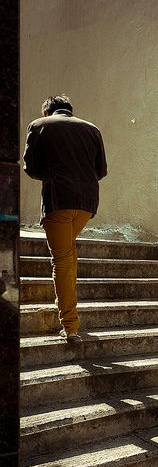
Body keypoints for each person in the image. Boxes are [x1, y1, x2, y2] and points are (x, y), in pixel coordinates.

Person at [23, 95, 107, 342]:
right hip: (86, 204)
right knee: (68, 254)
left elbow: (30, 167)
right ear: (69, 110)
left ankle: (70, 324)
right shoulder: (92, 129)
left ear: (47, 111)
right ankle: (67, 310)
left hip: (58, 200)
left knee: (61, 260)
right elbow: (100, 170)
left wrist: (54, 175)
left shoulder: (39, 125)